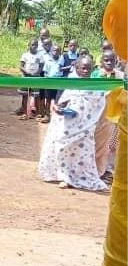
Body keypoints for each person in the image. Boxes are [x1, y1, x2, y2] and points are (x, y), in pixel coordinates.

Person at [38, 56, 108, 192]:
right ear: (77, 69)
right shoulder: (70, 83)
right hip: (68, 126)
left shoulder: (96, 86)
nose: (86, 70)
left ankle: (81, 177)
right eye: (83, 68)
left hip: (86, 128)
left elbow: (99, 105)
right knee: (63, 149)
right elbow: (60, 102)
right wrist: (60, 108)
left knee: (83, 154)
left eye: (89, 68)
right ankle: (65, 177)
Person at [91, 49, 123, 181]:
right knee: (95, 143)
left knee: (110, 146)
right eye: (106, 60)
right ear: (101, 61)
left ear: (116, 61)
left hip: (113, 117)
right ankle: (94, 170)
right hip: (97, 117)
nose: (109, 63)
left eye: (112, 60)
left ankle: (104, 171)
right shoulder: (95, 76)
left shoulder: (120, 76)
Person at [16, 39, 45, 119]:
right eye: (32, 45)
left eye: (36, 45)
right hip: (26, 77)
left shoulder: (40, 56)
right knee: (25, 96)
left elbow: (41, 66)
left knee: (36, 96)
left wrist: (37, 73)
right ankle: (25, 113)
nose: (34, 46)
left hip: (36, 78)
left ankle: (37, 114)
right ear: (29, 46)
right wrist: (26, 72)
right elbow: (21, 66)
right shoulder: (25, 55)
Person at [39, 45, 63, 124]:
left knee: (58, 100)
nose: (55, 52)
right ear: (51, 51)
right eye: (54, 50)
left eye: (57, 50)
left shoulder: (62, 60)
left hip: (58, 82)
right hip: (49, 82)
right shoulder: (48, 60)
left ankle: (56, 116)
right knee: (48, 99)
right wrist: (48, 81)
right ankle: (47, 115)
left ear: (60, 52)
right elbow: (45, 72)